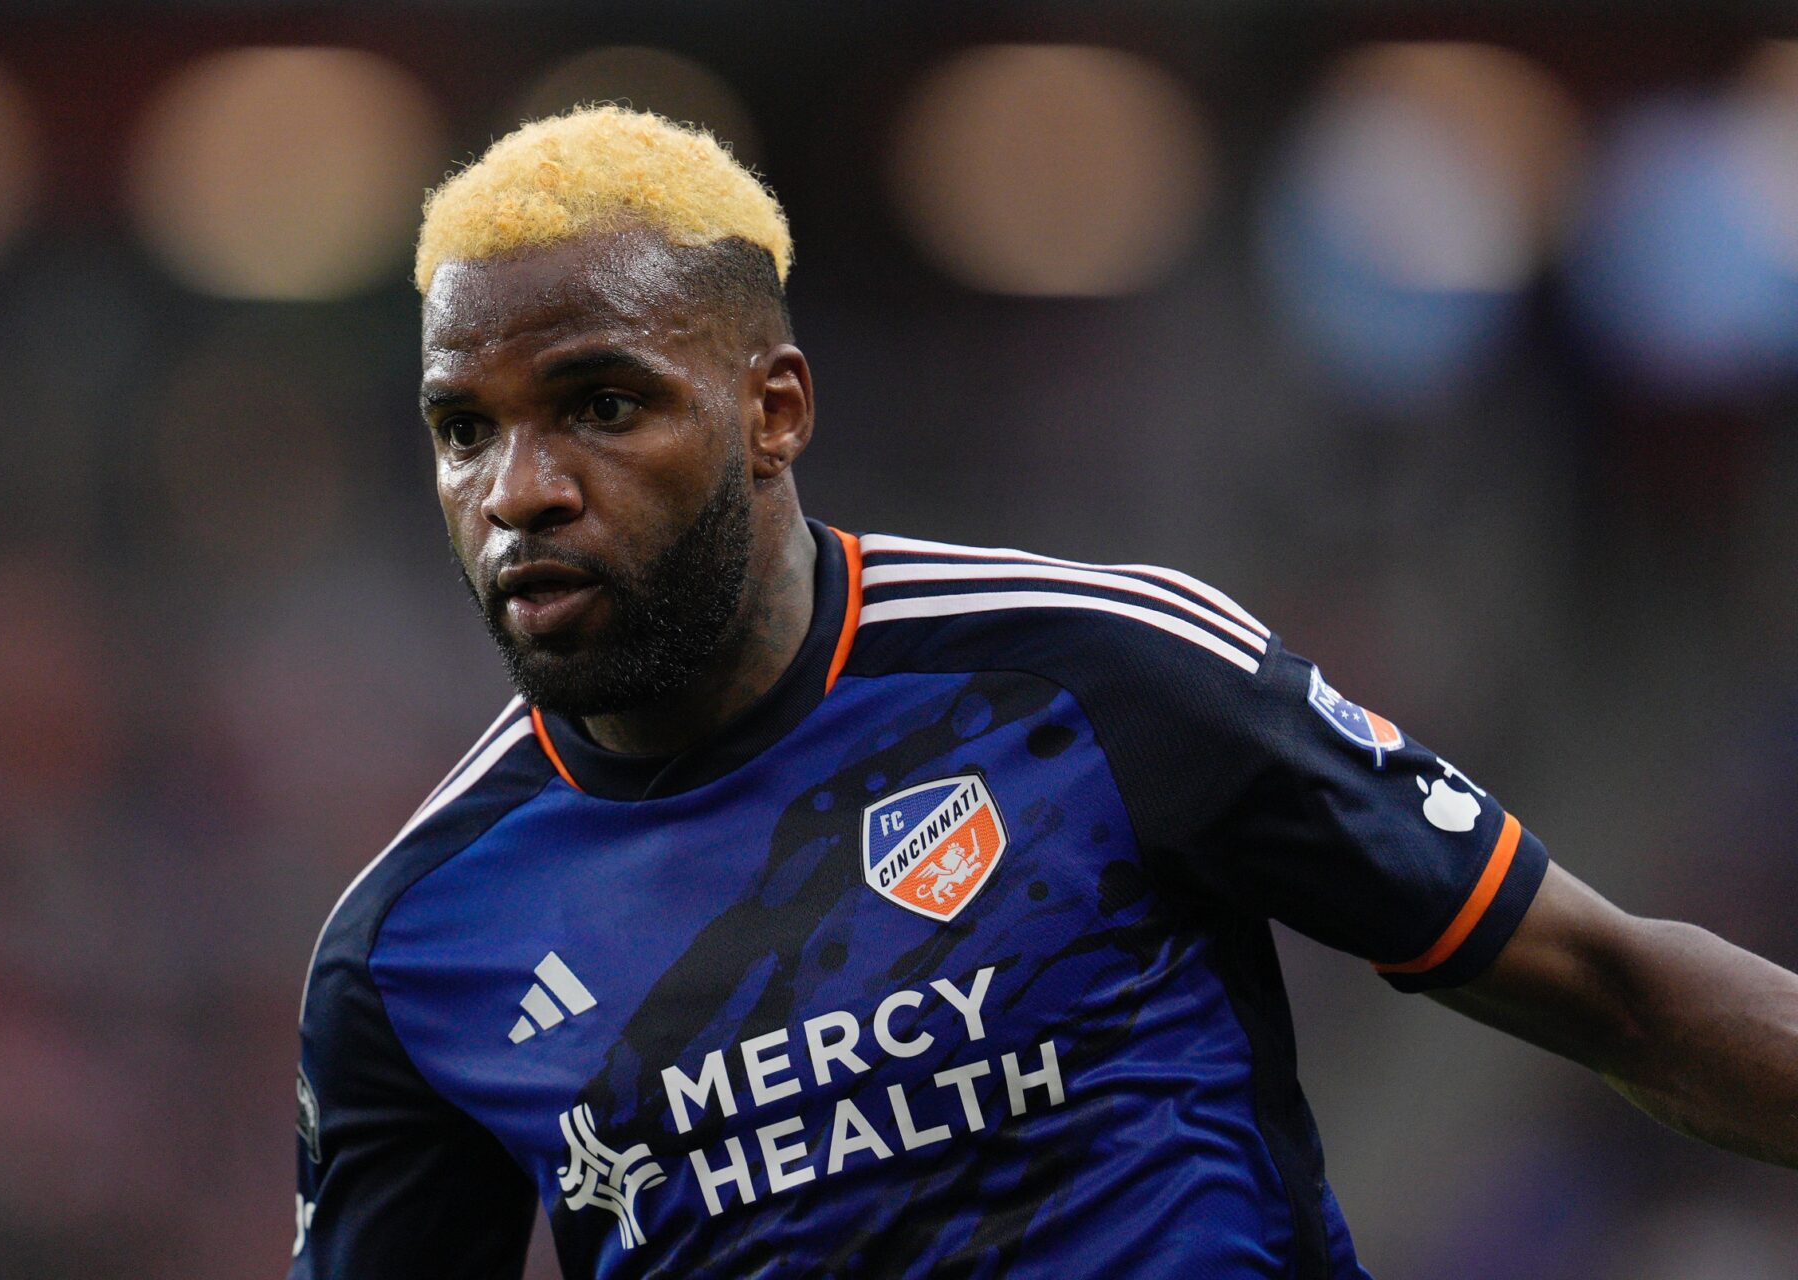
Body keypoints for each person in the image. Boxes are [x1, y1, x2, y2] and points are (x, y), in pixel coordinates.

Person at [290, 106, 1798, 1279]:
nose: (520, 490)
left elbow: (1618, 991)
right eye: (463, 429)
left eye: (603, 404)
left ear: (773, 411)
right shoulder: (412, 952)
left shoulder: (1100, 676)